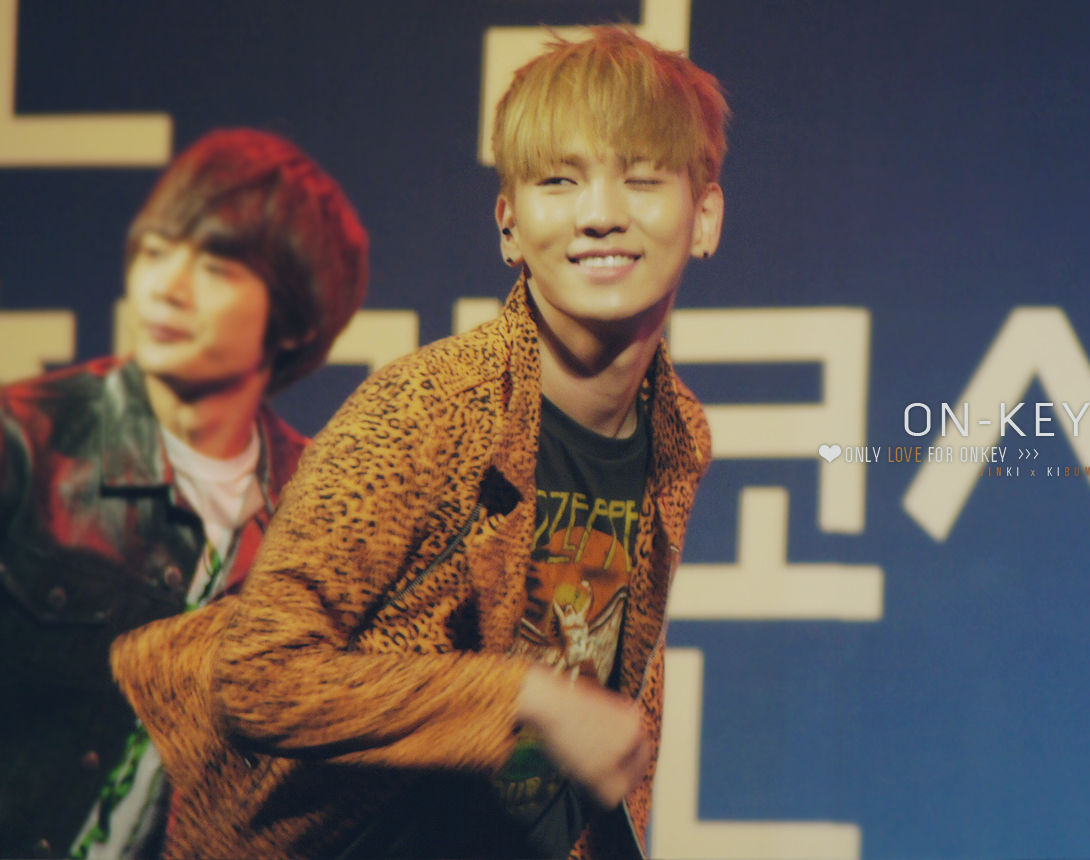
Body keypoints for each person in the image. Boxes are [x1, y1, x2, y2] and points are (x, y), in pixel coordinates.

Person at [112, 25, 726, 859]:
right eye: (558, 181)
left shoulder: (677, 431)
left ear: (704, 216)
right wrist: (522, 700)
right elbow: (257, 677)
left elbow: (592, 675)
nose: (601, 216)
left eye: (642, 179)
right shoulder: (431, 408)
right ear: (509, 225)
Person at [0, 128, 369, 859]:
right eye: (155, 251)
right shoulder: (26, 445)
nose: (165, 288)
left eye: (215, 267)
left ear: (294, 317)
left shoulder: (319, 508)